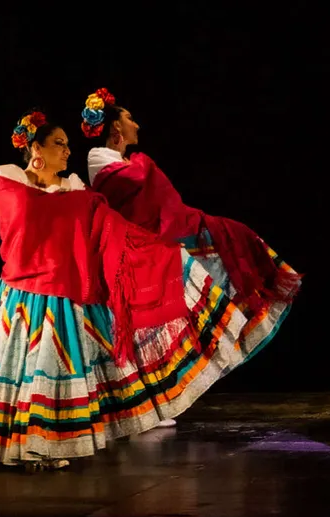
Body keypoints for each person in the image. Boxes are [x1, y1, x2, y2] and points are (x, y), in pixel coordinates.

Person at [0, 110, 251, 470]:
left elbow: (112, 228)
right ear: (34, 146)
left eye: (68, 144)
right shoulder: (8, 182)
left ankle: (47, 445)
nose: (67, 151)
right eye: (58, 144)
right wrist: (62, 198)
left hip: (68, 294)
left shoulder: (74, 188)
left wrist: (161, 252)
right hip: (24, 295)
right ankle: (24, 444)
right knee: (24, 372)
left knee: (55, 371)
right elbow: (26, 221)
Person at [83, 88, 301, 414]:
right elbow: (134, 185)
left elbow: (159, 196)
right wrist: (143, 163)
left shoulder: (129, 160)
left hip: (159, 244)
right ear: (115, 127)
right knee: (152, 331)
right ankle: (150, 404)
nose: (137, 125)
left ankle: (241, 309)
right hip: (133, 253)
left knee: (232, 242)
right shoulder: (99, 157)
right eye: (130, 119)